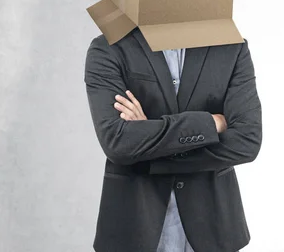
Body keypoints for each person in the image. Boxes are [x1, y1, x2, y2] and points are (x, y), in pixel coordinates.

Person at [84, 26, 262, 252]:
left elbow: (247, 142)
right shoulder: (108, 48)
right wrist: (211, 123)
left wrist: (148, 140)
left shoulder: (231, 47)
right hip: (135, 224)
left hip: (213, 226)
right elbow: (117, 142)